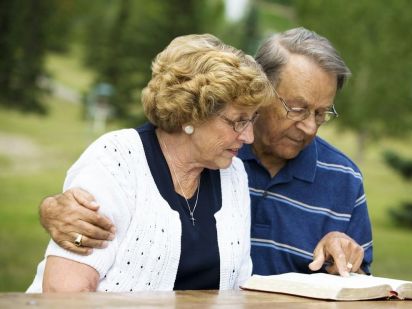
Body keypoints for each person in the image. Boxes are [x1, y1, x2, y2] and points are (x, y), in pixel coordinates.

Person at [37, 27, 373, 279]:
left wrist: (345, 262)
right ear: (261, 90)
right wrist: (53, 208)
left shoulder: (343, 179)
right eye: (297, 108)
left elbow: (364, 287)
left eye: (322, 113)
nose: (310, 127)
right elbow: (130, 170)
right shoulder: (214, 149)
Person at [26, 33, 274, 292]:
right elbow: (65, 292)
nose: (248, 136)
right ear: (192, 113)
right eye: (238, 121)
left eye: (252, 120)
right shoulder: (116, 160)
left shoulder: (233, 174)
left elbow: (236, 288)